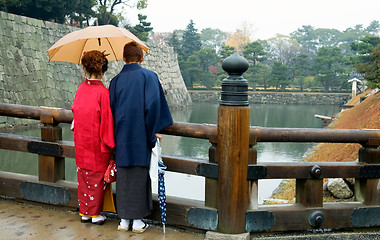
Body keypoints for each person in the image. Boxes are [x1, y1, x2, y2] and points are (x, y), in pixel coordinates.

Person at [109, 42, 173, 233]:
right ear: (141, 58)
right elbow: (153, 107)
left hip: (120, 136)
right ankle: (137, 221)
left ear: (123, 58)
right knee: (138, 174)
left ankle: (123, 221)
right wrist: (153, 131)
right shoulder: (149, 77)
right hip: (141, 135)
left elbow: (111, 111)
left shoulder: (115, 81)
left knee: (124, 176)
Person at [71, 50, 115, 225]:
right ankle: (95, 214)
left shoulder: (81, 88)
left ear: (85, 68)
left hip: (81, 140)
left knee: (84, 176)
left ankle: (85, 212)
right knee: (96, 177)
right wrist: (110, 145)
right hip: (96, 143)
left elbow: (75, 110)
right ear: (103, 70)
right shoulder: (103, 93)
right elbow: (107, 122)